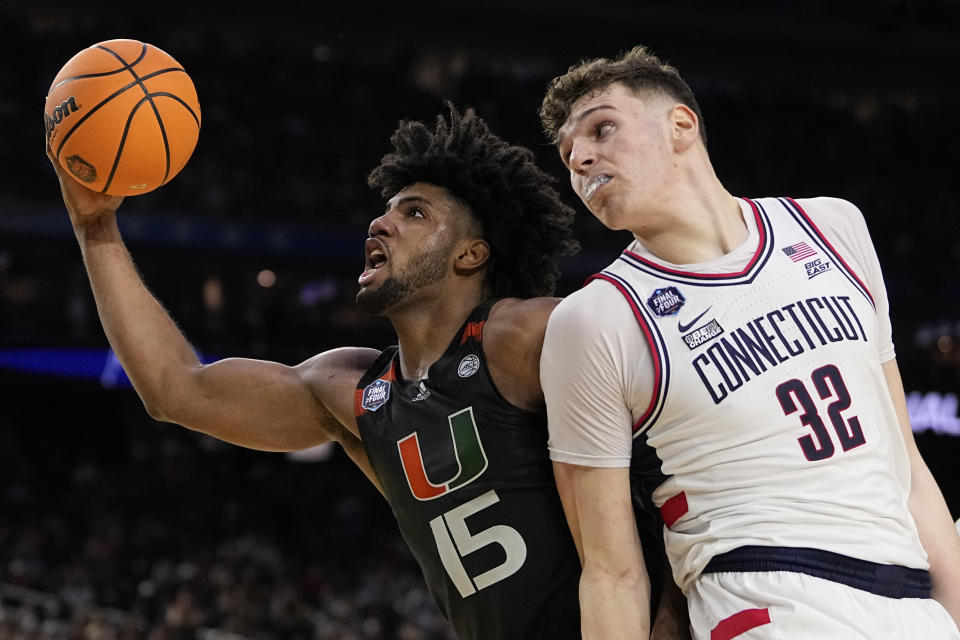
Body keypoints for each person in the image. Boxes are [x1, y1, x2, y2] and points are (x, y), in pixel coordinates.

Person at [46, 104, 589, 640]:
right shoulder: (353, 390)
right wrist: (95, 226)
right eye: (388, 210)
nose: (380, 222)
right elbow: (175, 389)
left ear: (470, 255)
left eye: (415, 213)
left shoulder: (522, 337)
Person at [537, 46, 960, 639]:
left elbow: (904, 460)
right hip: (767, 601)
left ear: (680, 126)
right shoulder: (595, 318)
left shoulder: (833, 227)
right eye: (568, 155)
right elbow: (611, 573)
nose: (581, 158)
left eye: (602, 129)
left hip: (910, 603)